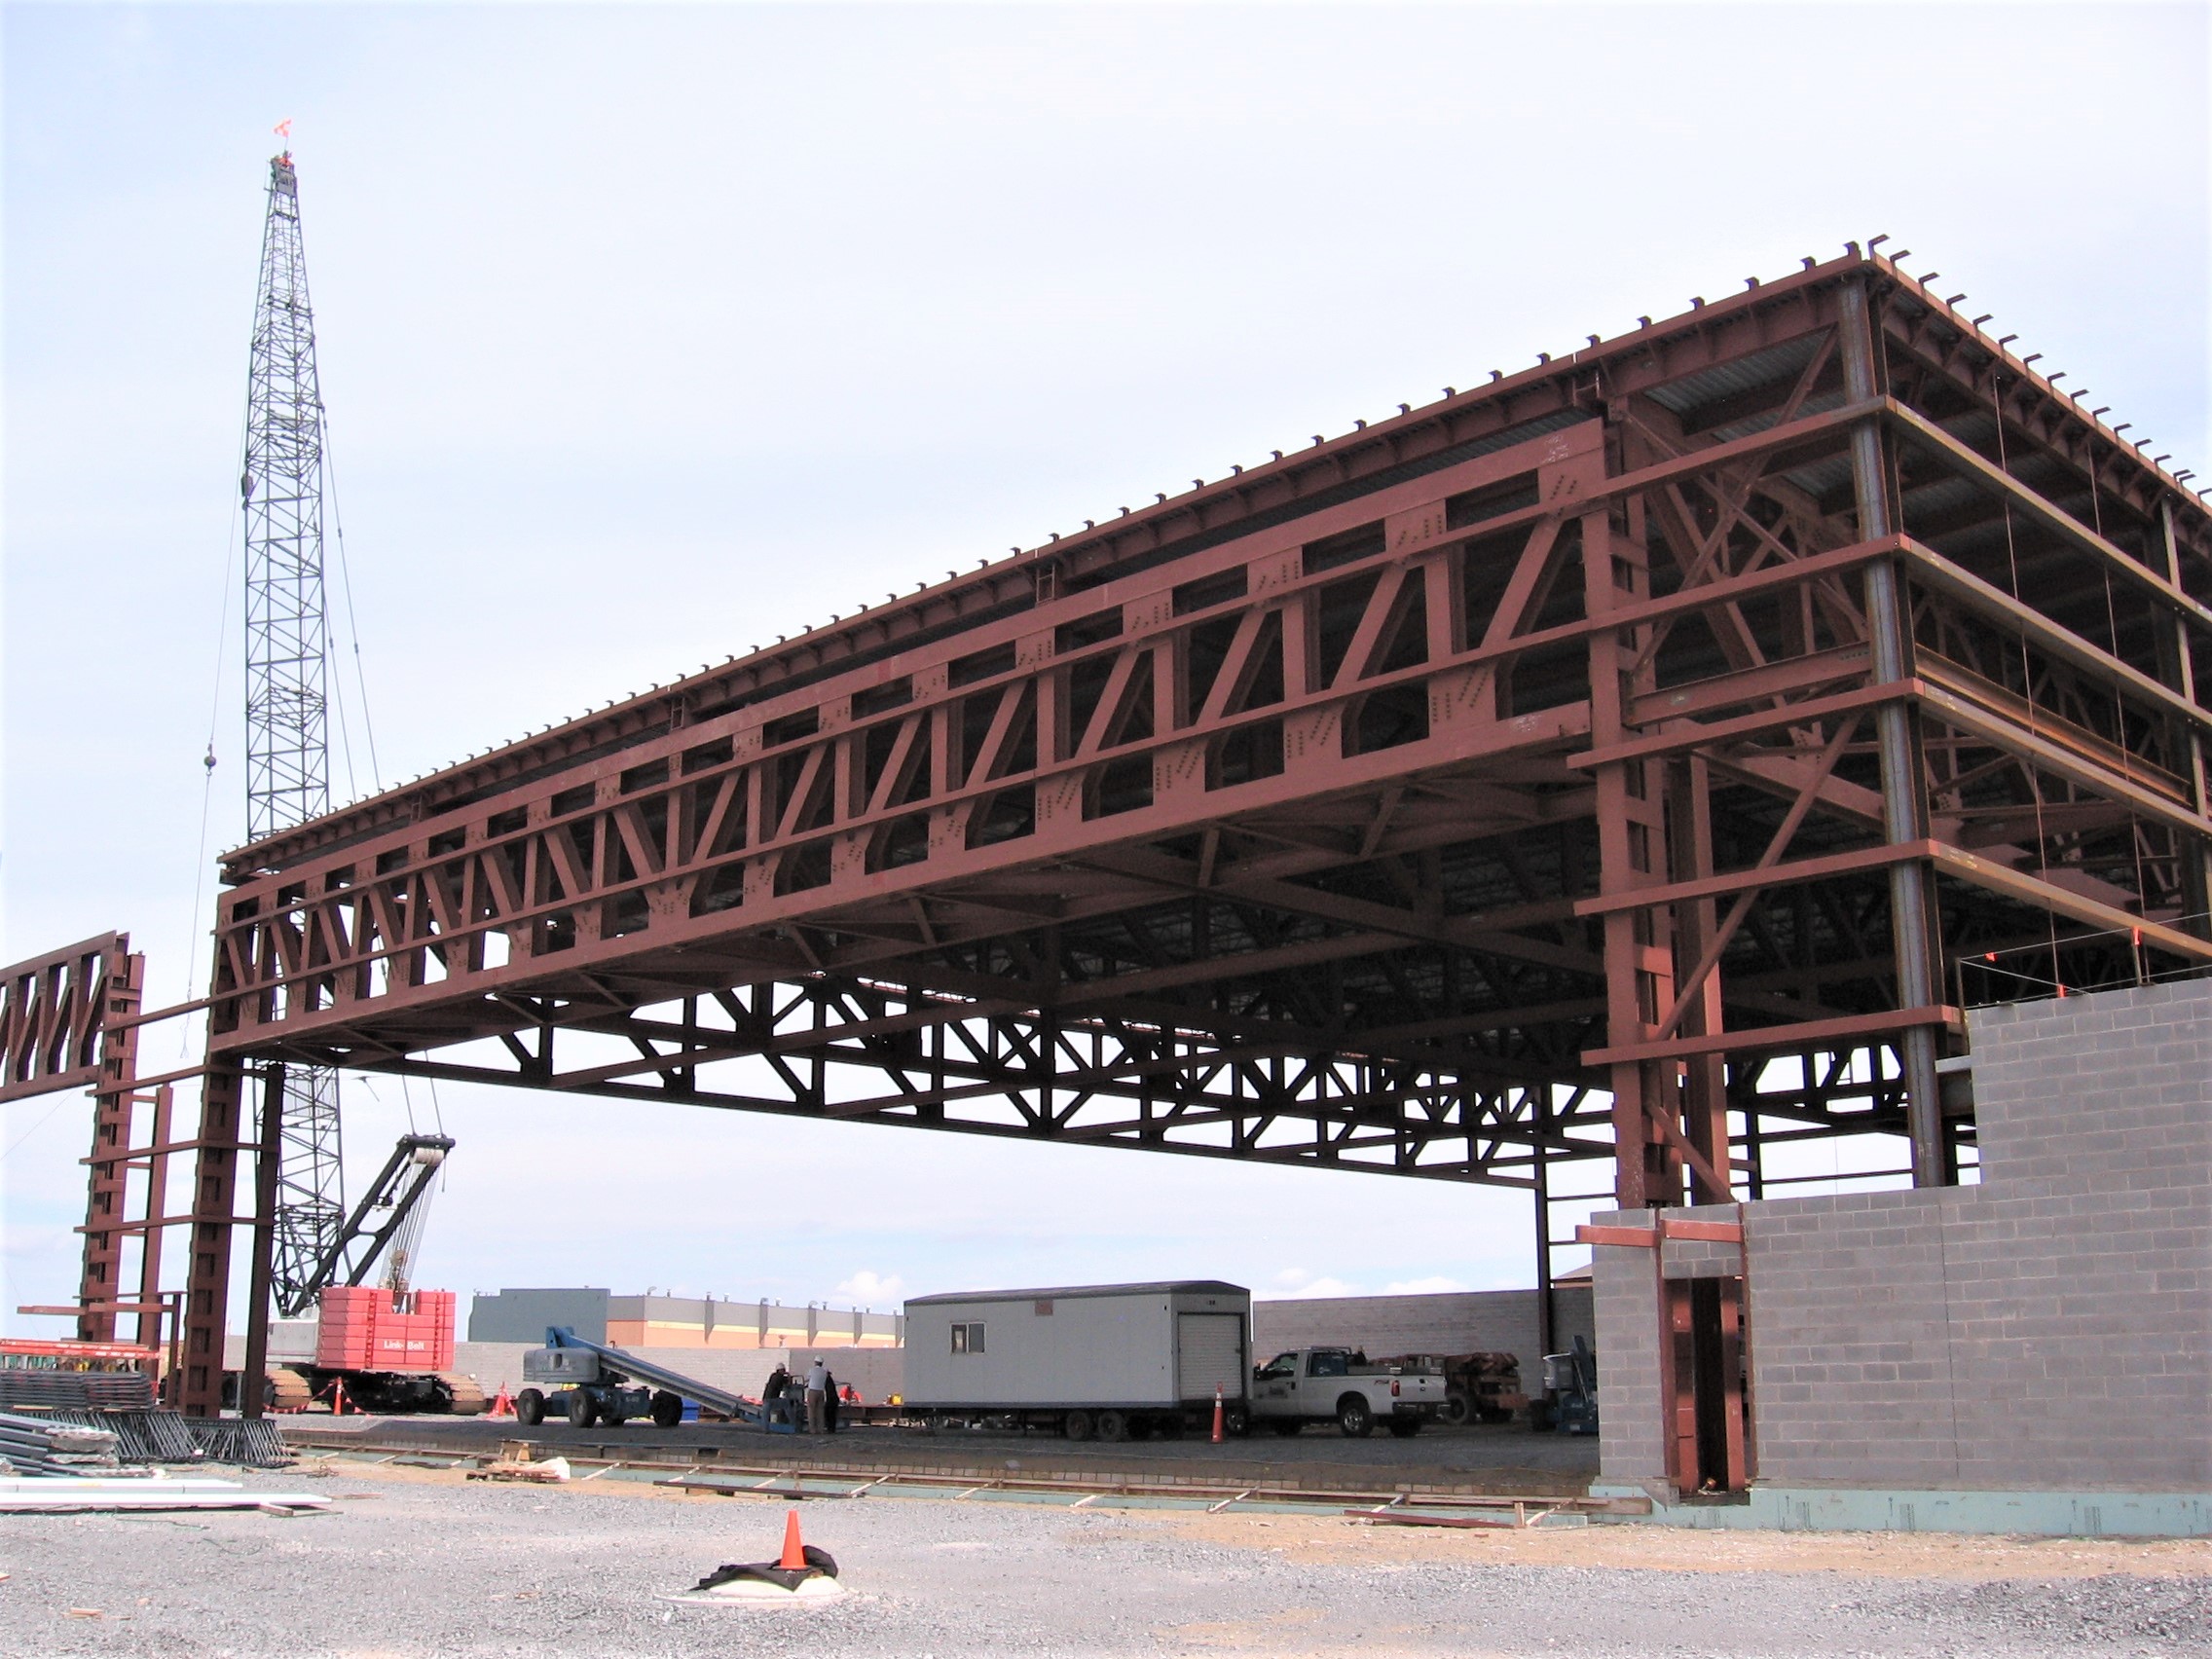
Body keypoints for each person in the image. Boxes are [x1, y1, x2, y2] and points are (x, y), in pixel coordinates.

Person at [804, 1355, 829, 1435]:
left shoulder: (812, 1370)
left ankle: (812, 1430)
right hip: (821, 1392)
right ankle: (820, 1429)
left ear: (815, 1362)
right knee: (820, 1411)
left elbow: (808, 1379)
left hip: (812, 1391)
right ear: (822, 1363)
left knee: (811, 1410)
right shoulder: (825, 1371)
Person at [823, 1369, 840, 1433]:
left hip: (831, 1400)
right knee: (832, 1415)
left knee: (829, 1414)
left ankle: (830, 1428)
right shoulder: (830, 1380)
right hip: (833, 1400)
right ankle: (832, 1428)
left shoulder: (827, 1380)